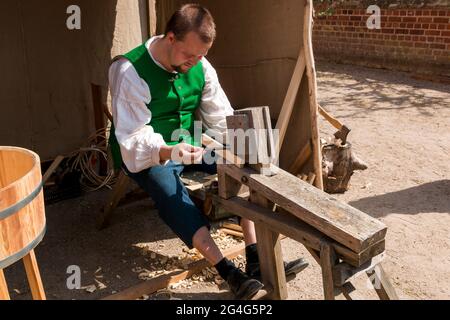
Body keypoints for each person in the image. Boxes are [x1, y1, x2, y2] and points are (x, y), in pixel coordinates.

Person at [108, 3, 308, 300]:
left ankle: (255, 258)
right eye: (189, 55)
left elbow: (220, 118)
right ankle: (229, 272)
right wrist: (169, 150)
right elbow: (133, 138)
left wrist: (243, 146)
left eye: (200, 56)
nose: (194, 63)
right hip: (146, 150)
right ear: (170, 37)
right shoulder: (129, 70)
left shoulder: (200, 63)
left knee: (240, 163)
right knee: (169, 190)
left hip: (188, 141)